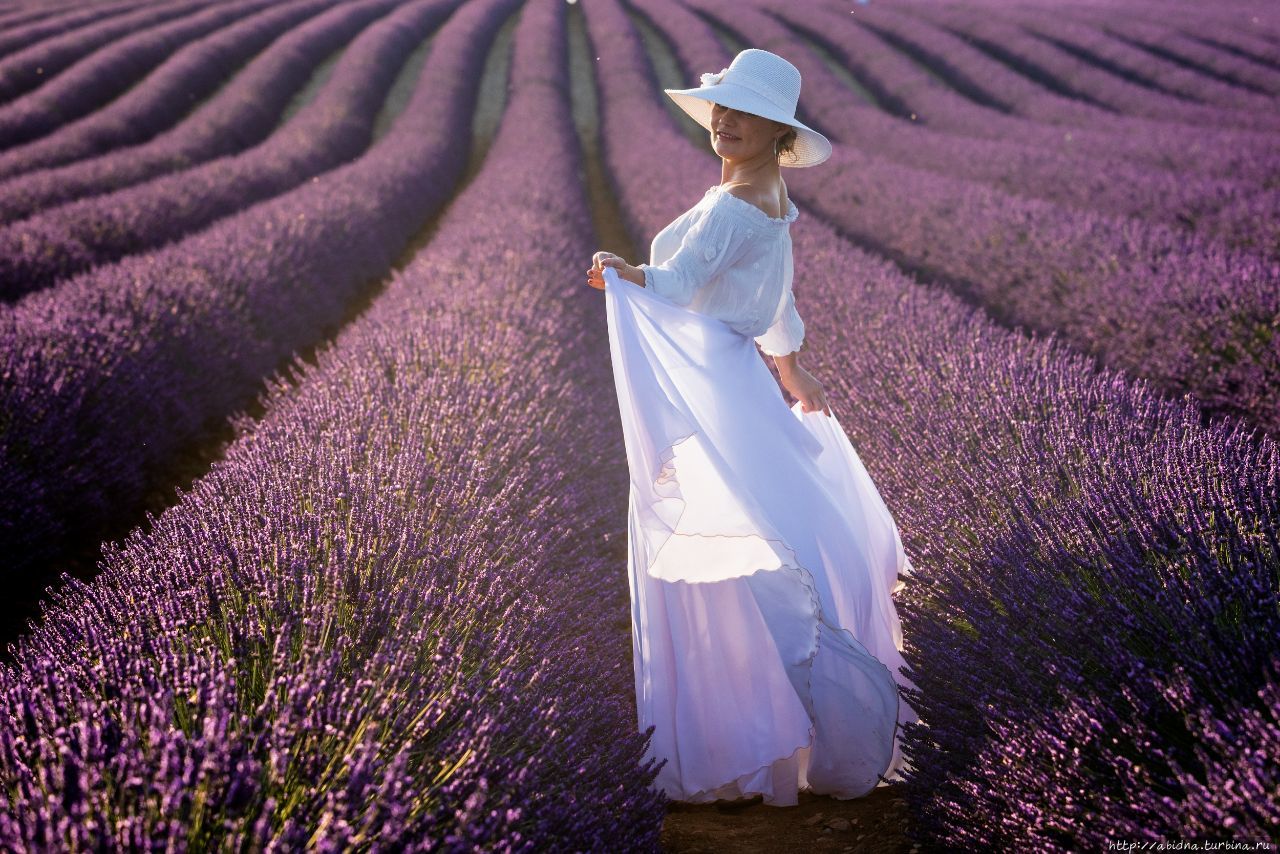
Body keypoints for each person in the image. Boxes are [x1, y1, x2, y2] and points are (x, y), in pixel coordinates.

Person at [586, 49, 918, 807]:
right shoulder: (770, 201)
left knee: (726, 549)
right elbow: (775, 302)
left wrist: (622, 268)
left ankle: (746, 735)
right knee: (772, 541)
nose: (725, 123)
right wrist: (792, 368)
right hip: (737, 384)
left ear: (779, 133)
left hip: (714, 392)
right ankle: (797, 730)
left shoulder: (737, 205)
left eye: (744, 115)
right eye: (720, 111)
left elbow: (679, 282)